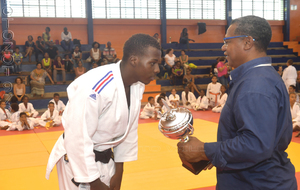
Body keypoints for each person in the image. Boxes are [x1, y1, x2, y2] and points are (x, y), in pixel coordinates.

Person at [177, 15, 297, 189]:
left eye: (227, 41)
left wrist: (204, 150)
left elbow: (256, 145)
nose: (223, 47)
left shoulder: (255, 85)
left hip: (256, 183)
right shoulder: (262, 77)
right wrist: (216, 154)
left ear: (248, 43)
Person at [46, 33, 161, 190]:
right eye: (153, 63)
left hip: (106, 158)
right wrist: (94, 183)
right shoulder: (97, 87)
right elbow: (77, 136)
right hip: (78, 162)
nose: (157, 69)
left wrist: (119, 171)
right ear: (134, 60)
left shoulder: (136, 86)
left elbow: (128, 131)